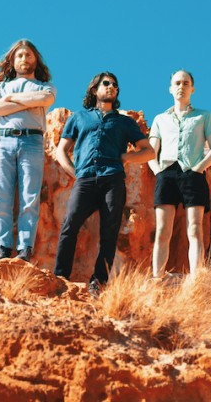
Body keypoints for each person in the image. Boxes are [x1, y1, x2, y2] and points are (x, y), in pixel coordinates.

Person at [54, 72, 154, 294]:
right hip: (85, 179)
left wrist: (127, 157)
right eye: (106, 83)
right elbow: (61, 150)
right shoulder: (79, 118)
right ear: (94, 89)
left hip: (113, 180)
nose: (111, 87)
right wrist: (75, 173)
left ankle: (98, 282)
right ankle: (60, 277)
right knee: (69, 225)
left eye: (115, 85)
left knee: (109, 232)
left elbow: (149, 152)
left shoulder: (125, 122)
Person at [0, 39, 56, 262]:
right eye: (20, 55)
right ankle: (2, 248)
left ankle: (25, 249)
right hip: (2, 141)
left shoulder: (45, 86)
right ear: (13, 61)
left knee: (29, 198)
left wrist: (11, 100)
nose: (24, 59)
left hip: (32, 141)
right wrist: (29, 102)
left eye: (28, 55)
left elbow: (45, 98)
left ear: (36, 59)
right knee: (1, 196)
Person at [147, 70, 211, 278]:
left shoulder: (204, 116)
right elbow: (151, 152)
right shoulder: (160, 119)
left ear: (192, 89)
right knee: (163, 230)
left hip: (193, 175)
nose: (181, 86)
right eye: (177, 83)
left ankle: (197, 277)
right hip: (166, 175)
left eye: (186, 83)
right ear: (170, 89)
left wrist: (198, 169)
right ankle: (158, 277)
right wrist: (159, 172)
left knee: (195, 229)